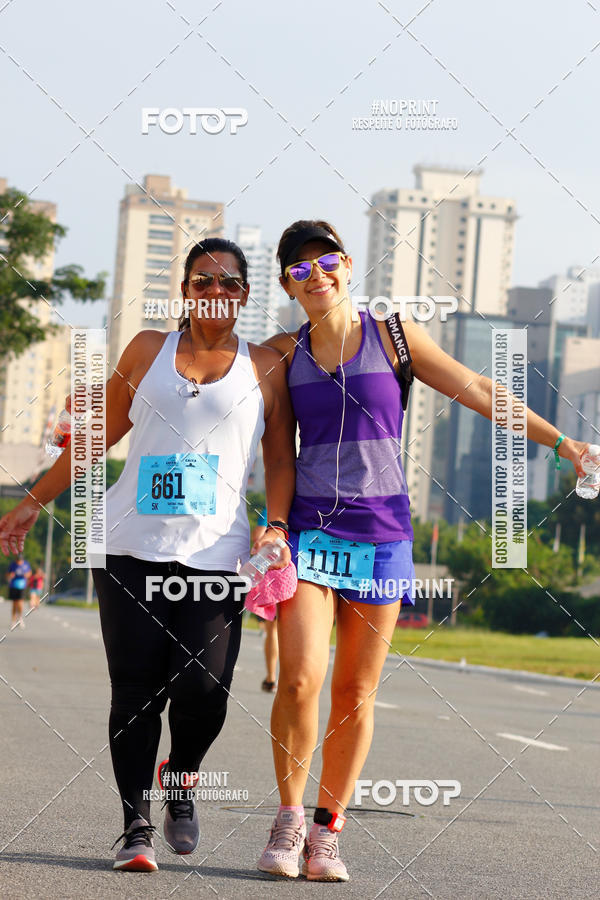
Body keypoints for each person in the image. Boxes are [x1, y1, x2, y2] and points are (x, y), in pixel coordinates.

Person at [256, 219, 589, 882]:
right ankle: (289, 819)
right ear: (289, 286)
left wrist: (563, 444)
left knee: (354, 691)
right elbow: (278, 454)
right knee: (298, 677)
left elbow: (480, 390)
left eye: (326, 262)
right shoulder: (280, 355)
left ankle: (327, 832)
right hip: (311, 534)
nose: (316, 275)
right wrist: (273, 525)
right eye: (299, 269)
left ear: (347, 266)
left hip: (382, 536)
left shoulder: (397, 336)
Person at [0, 238, 295, 873]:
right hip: (129, 545)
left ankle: (181, 778)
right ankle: (135, 826)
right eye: (203, 281)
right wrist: (32, 501)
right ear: (186, 289)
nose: (216, 293)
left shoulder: (266, 365)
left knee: (205, 689)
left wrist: (277, 525)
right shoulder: (146, 349)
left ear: (246, 293)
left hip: (217, 555)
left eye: (229, 284)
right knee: (135, 690)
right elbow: (96, 435)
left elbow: (279, 459)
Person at [251, 507, 279, 692]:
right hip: (301, 572)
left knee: (272, 630)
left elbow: (259, 536)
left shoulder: (271, 507)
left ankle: (271, 677)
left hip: (275, 573)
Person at [7, 554, 31, 629]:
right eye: (17, 560)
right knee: (14, 603)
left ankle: (20, 618)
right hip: (13, 585)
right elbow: (8, 574)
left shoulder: (26, 564)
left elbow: (29, 573)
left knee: (20, 603)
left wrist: (26, 575)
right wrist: (10, 575)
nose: (19, 562)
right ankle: (13, 620)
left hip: (22, 586)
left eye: (20, 561)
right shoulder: (13, 564)